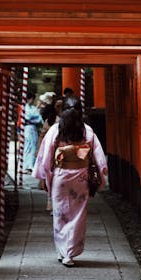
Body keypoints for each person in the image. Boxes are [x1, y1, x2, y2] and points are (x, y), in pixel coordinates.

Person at [33, 96, 108, 266]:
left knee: (60, 214)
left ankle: (62, 250)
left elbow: (46, 156)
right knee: (78, 215)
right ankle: (70, 253)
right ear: (80, 111)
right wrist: (101, 170)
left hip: (61, 175)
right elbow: (98, 156)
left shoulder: (56, 129)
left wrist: (45, 176)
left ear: (62, 110)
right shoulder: (87, 130)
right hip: (80, 175)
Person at [22, 92, 42, 173]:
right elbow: (27, 117)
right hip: (28, 128)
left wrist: (34, 116)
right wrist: (35, 115)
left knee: (33, 147)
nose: (33, 101)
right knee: (27, 147)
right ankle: (25, 166)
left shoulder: (33, 108)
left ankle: (31, 166)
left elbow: (39, 119)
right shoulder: (25, 108)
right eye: (32, 99)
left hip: (33, 128)